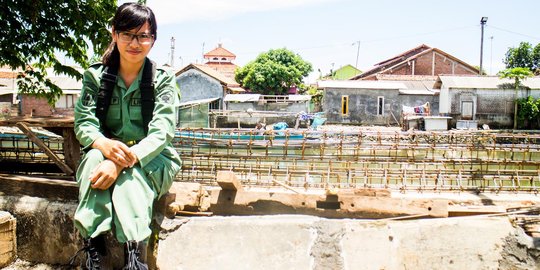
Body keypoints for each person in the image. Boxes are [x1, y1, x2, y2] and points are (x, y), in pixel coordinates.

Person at [72, 3, 181, 269]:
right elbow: (85, 123)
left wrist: (120, 161)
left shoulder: (163, 79)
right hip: (108, 150)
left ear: (152, 40)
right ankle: (93, 246)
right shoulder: (96, 77)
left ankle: (135, 255)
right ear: (114, 34)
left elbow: (162, 132)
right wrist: (104, 145)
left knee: (130, 180)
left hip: (153, 158)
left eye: (143, 35)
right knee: (92, 162)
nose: (135, 42)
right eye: (128, 34)